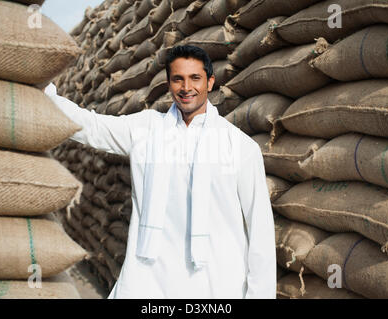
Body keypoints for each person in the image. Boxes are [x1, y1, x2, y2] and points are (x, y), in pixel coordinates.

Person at [45, 45, 276, 299]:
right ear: (169, 84)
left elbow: (260, 232)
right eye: (178, 79)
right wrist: (44, 93)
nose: (186, 87)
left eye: (195, 78)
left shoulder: (240, 148)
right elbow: (93, 126)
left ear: (210, 82)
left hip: (217, 285)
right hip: (151, 277)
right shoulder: (147, 129)